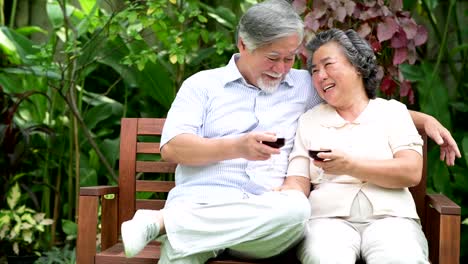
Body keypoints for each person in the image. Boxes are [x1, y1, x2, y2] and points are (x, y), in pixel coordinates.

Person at [120, 1, 460, 263]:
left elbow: (357, 101)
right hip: (203, 205)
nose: (284, 69)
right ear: (243, 43)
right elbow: (173, 148)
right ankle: (179, 226)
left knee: (296, 209)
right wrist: (236, 147)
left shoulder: (304, 84)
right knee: (183, 251)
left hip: (269, 222)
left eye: (291, 58)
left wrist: (423, 119)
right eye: (273, 58)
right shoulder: (202, 86)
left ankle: (164, 222)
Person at [279, 28, 442, 264]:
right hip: (327, 222)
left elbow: (410, 171)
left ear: (357, 66)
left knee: (400, 257)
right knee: (325, 258)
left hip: (392, 220)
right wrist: (282, 197)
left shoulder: (393, 113)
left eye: (328, 65)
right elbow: (298, 179)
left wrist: (350, 166)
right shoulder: (309, 120)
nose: (320, 76)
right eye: (314, 70)